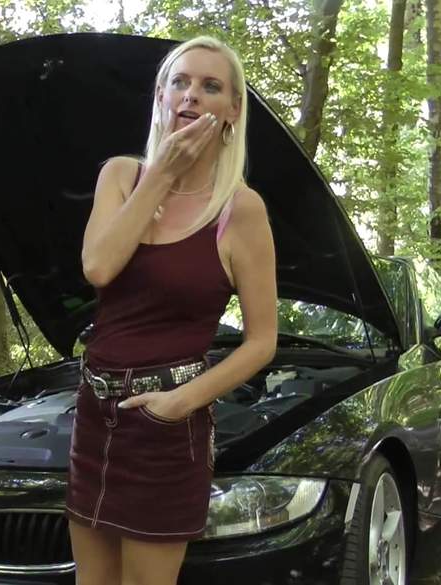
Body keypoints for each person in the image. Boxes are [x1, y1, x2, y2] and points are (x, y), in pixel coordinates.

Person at [67, 36, 278, 585]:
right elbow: (98, 267)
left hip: (166, 425)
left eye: (211, 86)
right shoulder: (121, 176)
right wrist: (161, 173)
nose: (192, 94)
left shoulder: (240, 209)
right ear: (161, 96)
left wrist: (179, 403)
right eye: (179, 82)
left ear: (233, 109)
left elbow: (262, 341)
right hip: (94, 413)